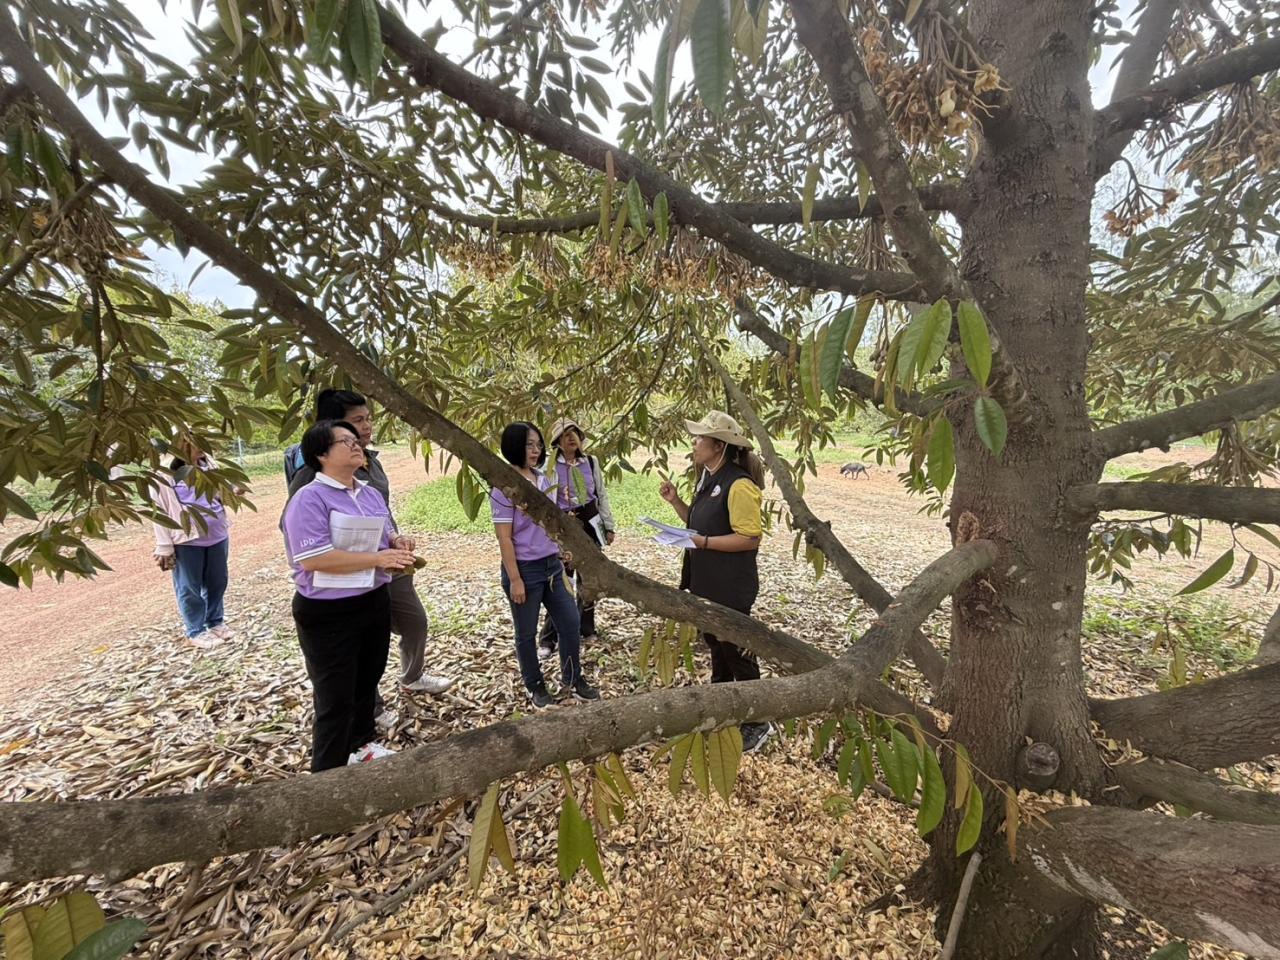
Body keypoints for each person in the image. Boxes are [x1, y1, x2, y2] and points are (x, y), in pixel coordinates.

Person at [285, 389, 455, 729]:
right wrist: (369, 557)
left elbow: (381, 513)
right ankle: (364, 718)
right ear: (331, 431)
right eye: (355, 423)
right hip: (342, 587)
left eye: (367, 419)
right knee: (345, 671)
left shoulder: (371, 467)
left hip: (385, 568)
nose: (366, 428)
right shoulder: (311, 485)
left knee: (410, 624)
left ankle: (406, 680)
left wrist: (393, 540)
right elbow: (307, 546)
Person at [282, 419, 417, 770]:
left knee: (365, 683)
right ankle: (327, 776)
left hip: (371, 600)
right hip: (328, 611)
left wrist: (396, 544)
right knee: (334, 697)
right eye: (345, 441)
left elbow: (386, 534)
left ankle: (361, 745)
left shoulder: (369, 493)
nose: (356, 445)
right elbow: (312, 558)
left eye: (356, 440)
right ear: (321, 454)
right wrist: (378, 558)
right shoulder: (308, 499)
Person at [658, 411, 772, 754]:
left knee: (737, 649)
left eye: (699, 439)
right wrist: (676, 502)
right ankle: (722, 699)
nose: (694, 444)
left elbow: (749, 538)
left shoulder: (739, 485)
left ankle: (759, 720)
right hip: (706, 582)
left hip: (730, 585)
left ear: (719, 445)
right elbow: (698, 523)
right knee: (717, 645)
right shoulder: (708, 477)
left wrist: (703, 543)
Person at [491, 421, 600, 709]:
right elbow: (504, 537)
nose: (536, 449)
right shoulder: (505, 487)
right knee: (526, 633)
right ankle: (535, 685)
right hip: (525, 570)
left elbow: (553, 525)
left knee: (570, 622)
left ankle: (574, 678)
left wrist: (562, 550)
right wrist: (515, 579)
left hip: (551, 565)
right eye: (529, 444)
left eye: (538, 444)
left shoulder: (543, 479)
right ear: (514, 445)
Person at [537, 417, 616, 659]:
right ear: (557, 443)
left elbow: (600, 495)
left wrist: (608, 526)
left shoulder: (590, 462)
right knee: (560, 581)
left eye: (574, 433)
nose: (570, 438)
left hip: (590, 522)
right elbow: (547, 501)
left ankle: (586, 628)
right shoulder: (549, 468)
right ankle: (549, 638)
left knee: (589, 579)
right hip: (564, 525)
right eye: (564, 435)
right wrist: (553, 533)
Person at [151, 437, 232, 650]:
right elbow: (159, 513)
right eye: (199, 445)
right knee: (189, 587)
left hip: (217, 535)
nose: (205, 449)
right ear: (183, 447)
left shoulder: (210, 466)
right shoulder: (165, 475)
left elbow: (223, 491)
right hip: (187, 541)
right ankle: (195, 630)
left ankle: (215, 622)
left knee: (218, 581)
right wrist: (164, 546)